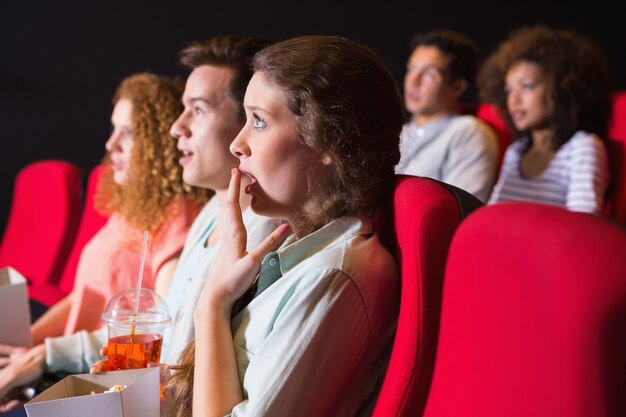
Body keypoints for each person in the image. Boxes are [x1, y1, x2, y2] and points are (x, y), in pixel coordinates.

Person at [166, 34, 404, 417]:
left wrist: (212, 302)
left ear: (330, 140)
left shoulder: (334, 277)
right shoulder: (292, 248)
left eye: (258, 122)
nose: (237, 145)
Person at [0, 72, 209, 413]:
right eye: (114, 130)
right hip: (62, 366)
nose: (111, 144)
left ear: (157, 142)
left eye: (128, 133)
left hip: (97, 378)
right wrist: (25, 348)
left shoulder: (177, 218)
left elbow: (162, 335)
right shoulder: (130, 209)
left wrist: (43, 354)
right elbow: (87, 296)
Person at [479, 25, 613, 215]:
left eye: (526, 86)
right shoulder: (516, 151)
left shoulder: (582, 147)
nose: (513, 100)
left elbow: (584, 223)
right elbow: (492, 214)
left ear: (561, 90)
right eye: (508, 90)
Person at [395, 29, 499, 203]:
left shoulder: (467, 132)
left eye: (429, 74)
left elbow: (462, 210)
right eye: (411, 69)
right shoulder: (399, 133)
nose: (413, 81)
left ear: (457, 87)